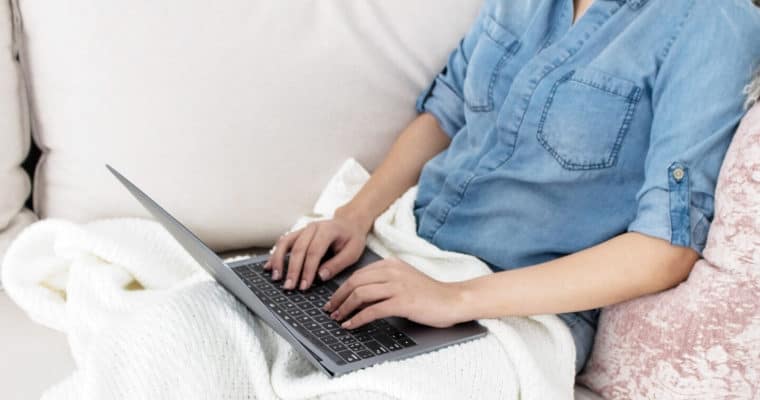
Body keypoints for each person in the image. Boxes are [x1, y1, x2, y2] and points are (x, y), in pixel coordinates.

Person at [264, 0, 760, 373]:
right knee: (202, 329)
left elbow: (664, 251)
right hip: (395, 250)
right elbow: (447, 112)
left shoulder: (714, 24)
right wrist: (354, 216)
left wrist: (454, 298)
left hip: (512, 315)